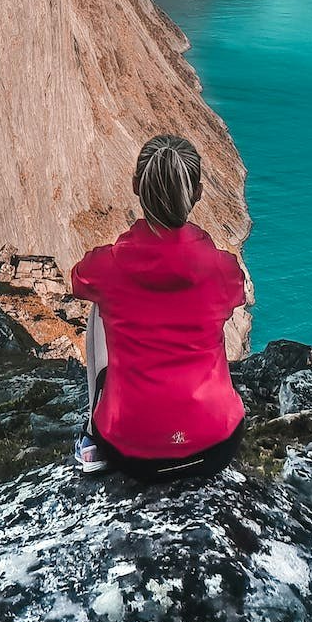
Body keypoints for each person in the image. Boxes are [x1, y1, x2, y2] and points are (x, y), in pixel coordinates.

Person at [71, 133, 246, 484]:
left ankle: (91, 435)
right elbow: (236, 296)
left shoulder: (108, 267)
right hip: (214, 445)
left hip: (131, 450)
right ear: (196, 193)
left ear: (136, 186)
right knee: (207, 315)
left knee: (98, 309)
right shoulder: (222, 269)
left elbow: (78, 279)